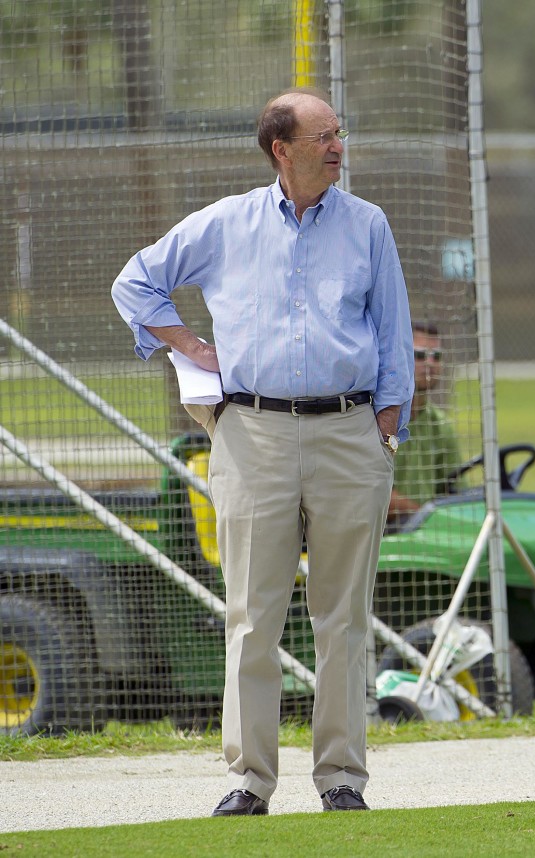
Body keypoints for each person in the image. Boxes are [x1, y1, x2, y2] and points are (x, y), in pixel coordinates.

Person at [111, 88, 414, 816]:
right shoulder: (225, 222)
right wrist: (185, 343)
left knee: (342, 615)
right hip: (252, 436)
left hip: (350, 435)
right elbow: (135, 282)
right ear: (282, 149)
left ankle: (342, 777)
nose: (338, 146)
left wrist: (386, 434)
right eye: (324, 136)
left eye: (340, 133)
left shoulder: (368, 224)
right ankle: (250, 781)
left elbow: (393, 334)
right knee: (252, 614)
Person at [387, 322, 462, 527]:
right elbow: (369, 493)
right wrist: (422, 516)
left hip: (427, 534)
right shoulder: (378, 418)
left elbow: (457, 491)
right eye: (420, 355)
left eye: (436, 356)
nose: (429, 363)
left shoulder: (441, 425)